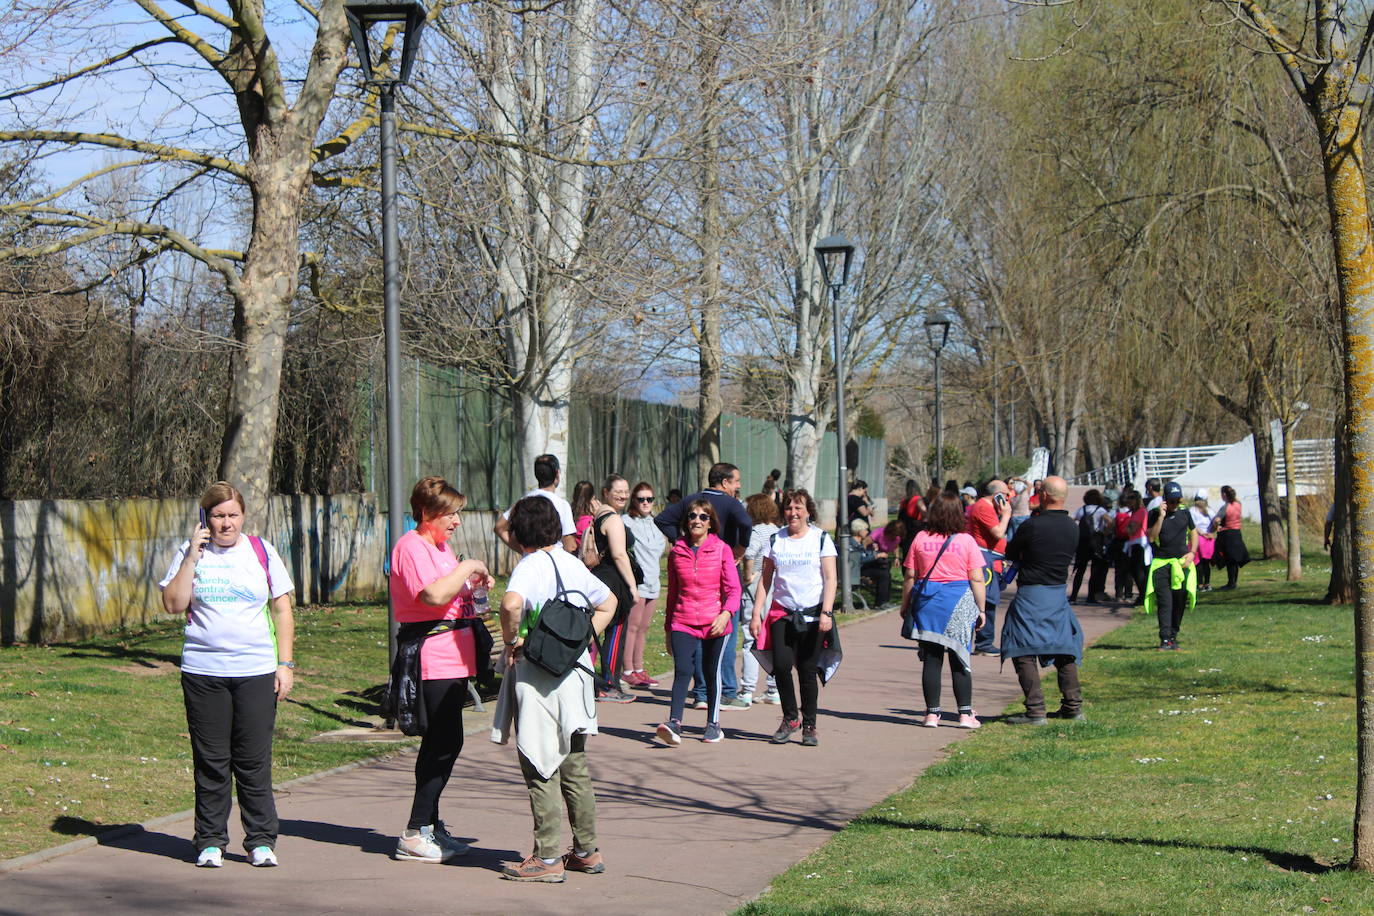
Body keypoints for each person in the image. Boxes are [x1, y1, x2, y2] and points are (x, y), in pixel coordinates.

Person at [158, 481, 296, 868]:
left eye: (232, 515)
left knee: (253, 761)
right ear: (205, 518)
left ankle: (261, 841)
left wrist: (285, 665)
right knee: (211, 760)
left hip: (255, 672)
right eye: (218, 516)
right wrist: (191, 558)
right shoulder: (190, 554)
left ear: (243, 516)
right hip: (204, 673)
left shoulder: (261, 551)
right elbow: (172, 604)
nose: (226, 524)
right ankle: (210, 841)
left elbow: (282, 610)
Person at [493, 496, 618, 883]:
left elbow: (511, 603)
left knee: (539, 761)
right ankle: (586, 851)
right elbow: (610, 602)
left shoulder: (529, 567)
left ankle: (546, 857)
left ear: (519, 532)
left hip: (540, 678)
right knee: (574, 764)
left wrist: (512, 642)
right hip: (578, 675)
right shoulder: (571, 562)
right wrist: (580, 639)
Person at [388, 477, 495, 863]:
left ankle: (429, 825)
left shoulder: (441, 548)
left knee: (445, 742)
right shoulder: (410, 546)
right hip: (432, 660)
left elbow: (451, 593)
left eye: (457, 514)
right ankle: (416, 831)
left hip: (455, 656)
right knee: (443, 743)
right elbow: (432, 596)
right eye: (451, 514)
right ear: (428, 513)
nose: (456, 522)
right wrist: (468, 565)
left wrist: (474, 586)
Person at [655, 462, 753, 708]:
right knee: (724, 634)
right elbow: (747, 524)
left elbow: (662, 519)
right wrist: (740, 548)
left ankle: (700, 692)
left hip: (695, 572)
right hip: (719, 570)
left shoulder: (692, 500)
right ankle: (727, 690)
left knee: (698, 634)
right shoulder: (730, 503)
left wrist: (681, 540)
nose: (738, 486)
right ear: (725, 482)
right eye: (736, 481)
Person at [749, 489, 837, 747]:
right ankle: (790, 718)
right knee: (782, 667)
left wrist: (827, 612)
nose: (793, 513)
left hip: (813, 615)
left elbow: (831, 578)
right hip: (781, 614)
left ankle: (810, 724)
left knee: (808, 671)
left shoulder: (821, 539)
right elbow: (766, 580)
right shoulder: (776, 540)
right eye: (788, 508)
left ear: (808, 511)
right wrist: (757, 613)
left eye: (798, 508)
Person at [999, 476, 1085, 725]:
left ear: (1044, 496)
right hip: (1058, 593)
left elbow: (1011, 552)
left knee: (1021, 648)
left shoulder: (1032, 526)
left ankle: (1035, 710)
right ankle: (1073, 706)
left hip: (1031, 594)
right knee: (1064, 648)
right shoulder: (1072, 527)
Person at [656, 500, 742, 745]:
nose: (697, 520)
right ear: (686, 520)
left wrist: (725, 614)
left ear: (710, 523)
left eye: (703, 517)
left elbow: (733, 590)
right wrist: (667, 629)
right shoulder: (677, 551)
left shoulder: (721, 549)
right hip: (683, 621)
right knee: (683, 670)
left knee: (710, 671)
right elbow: (672, 593)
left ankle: (713, 724)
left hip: (715, 621)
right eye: (693, 516)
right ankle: (674, 722)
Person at [901, 490, 986, 729]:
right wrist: (981, 610)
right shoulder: (967, 541)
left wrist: (905, 605)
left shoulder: (920, 538)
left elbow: (910, 576)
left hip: (927, 603)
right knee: (960, 658)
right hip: (958, 602)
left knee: (932, 659)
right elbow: (977, 579)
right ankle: (965, 714)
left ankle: (931, 713)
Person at [585, 475, 640, 703]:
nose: (623, 495)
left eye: (626, 491)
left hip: (599, 579)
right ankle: (609, 684)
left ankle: (589, 680)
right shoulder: (613, 519)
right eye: (618, 491)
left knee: (594, 632)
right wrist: (632, 587)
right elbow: (619, 554)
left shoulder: (598, 516)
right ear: (606, 492)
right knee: (616, 633)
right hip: (613, 581)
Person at [620, 482, 666, 689]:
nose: (646, 503)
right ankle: (627, 670)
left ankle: (639, 668)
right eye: (641, 499)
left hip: (653, 582)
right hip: (636, 583)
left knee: (644, 627)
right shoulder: (625, 522)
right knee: (632, 626)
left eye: (649, 499)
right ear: (634, 500)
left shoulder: (656, 523)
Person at [740, 493, 783, 705]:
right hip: (776, 585)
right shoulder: (778, 531)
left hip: (757, 584)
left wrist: (747, 576)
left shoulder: (756, 531)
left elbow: (749, 554)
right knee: (772, 637)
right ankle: (773, 687)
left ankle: (747, 689)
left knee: (751, 636)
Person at [1145, 481, 1197, 651]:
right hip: (1161, 564)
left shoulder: (1185, 513)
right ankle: (1165, 638)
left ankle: (1174, 635)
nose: (1175, 504)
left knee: (1180, 601)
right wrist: (1161, 516)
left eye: (1178, 501)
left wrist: (1192, 553)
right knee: (1165, 602)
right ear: (1165, 500)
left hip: (1182, 564)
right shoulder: (1154, 513)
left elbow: (1193, 532)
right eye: (1172, 501)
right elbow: (1151, 537)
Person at [495, 453, 578, 553]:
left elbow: (499, 528)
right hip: (554, 563)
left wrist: (524, 551)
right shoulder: (562, 505)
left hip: (530, 561)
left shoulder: (523, 502)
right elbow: (570, 546)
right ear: (557, 474)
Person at [966, 480, 1012, 655]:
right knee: (987, 600)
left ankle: (982, 642)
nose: (1008, 498)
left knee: (989, 598)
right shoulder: (983, 507)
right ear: (997, 494)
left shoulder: (987, 507)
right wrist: (1006, 514)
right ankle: (984, 643)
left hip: (992, 557)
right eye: (1006, 494)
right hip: (985, 559)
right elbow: (998, 532)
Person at [1069, 489, 1110, 604]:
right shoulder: (1100, 510)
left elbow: (1072, 520)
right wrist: (1105, 533)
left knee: (1080, 570)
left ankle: (1073, 596)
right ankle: (1091, 597)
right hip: (1096, 542)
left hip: (1082, 542)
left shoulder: (1081, 510)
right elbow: (1110, 522)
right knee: (1095, 570)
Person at [1212, 485, 1250, 590]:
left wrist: (1217, 527)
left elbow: (1216, 520)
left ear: (1224, 494)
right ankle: (1233, 582)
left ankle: (1231, 583)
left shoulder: (1225, 507)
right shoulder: (1238, 504)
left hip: (1227, 535)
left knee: (1229, 560)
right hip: (1237, 533)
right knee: (1235, 560)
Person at [850, 519, 893, 608]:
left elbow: (864, 555)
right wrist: (876, 556)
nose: (867, 532)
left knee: (885, 567)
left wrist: (874, 551)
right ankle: (881, 602)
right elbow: (858, 560)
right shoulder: (851, 543)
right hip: (855, 572)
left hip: (861, 568)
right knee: (883, 574)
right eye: (865, 530)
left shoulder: (859, 542)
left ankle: (884, 600)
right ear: (859, 531)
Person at [1190, 490, 1216, 592]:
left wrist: (1201, 533)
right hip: (1209, 539)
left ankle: (1200, 584)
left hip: (1198, 538)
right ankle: (1207, 583)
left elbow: (1193, 525)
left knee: (1198, 563)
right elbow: (1215, 523)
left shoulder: (1192, 510)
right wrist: (1211, 532)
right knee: (1206, 563)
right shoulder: (1209, 510)